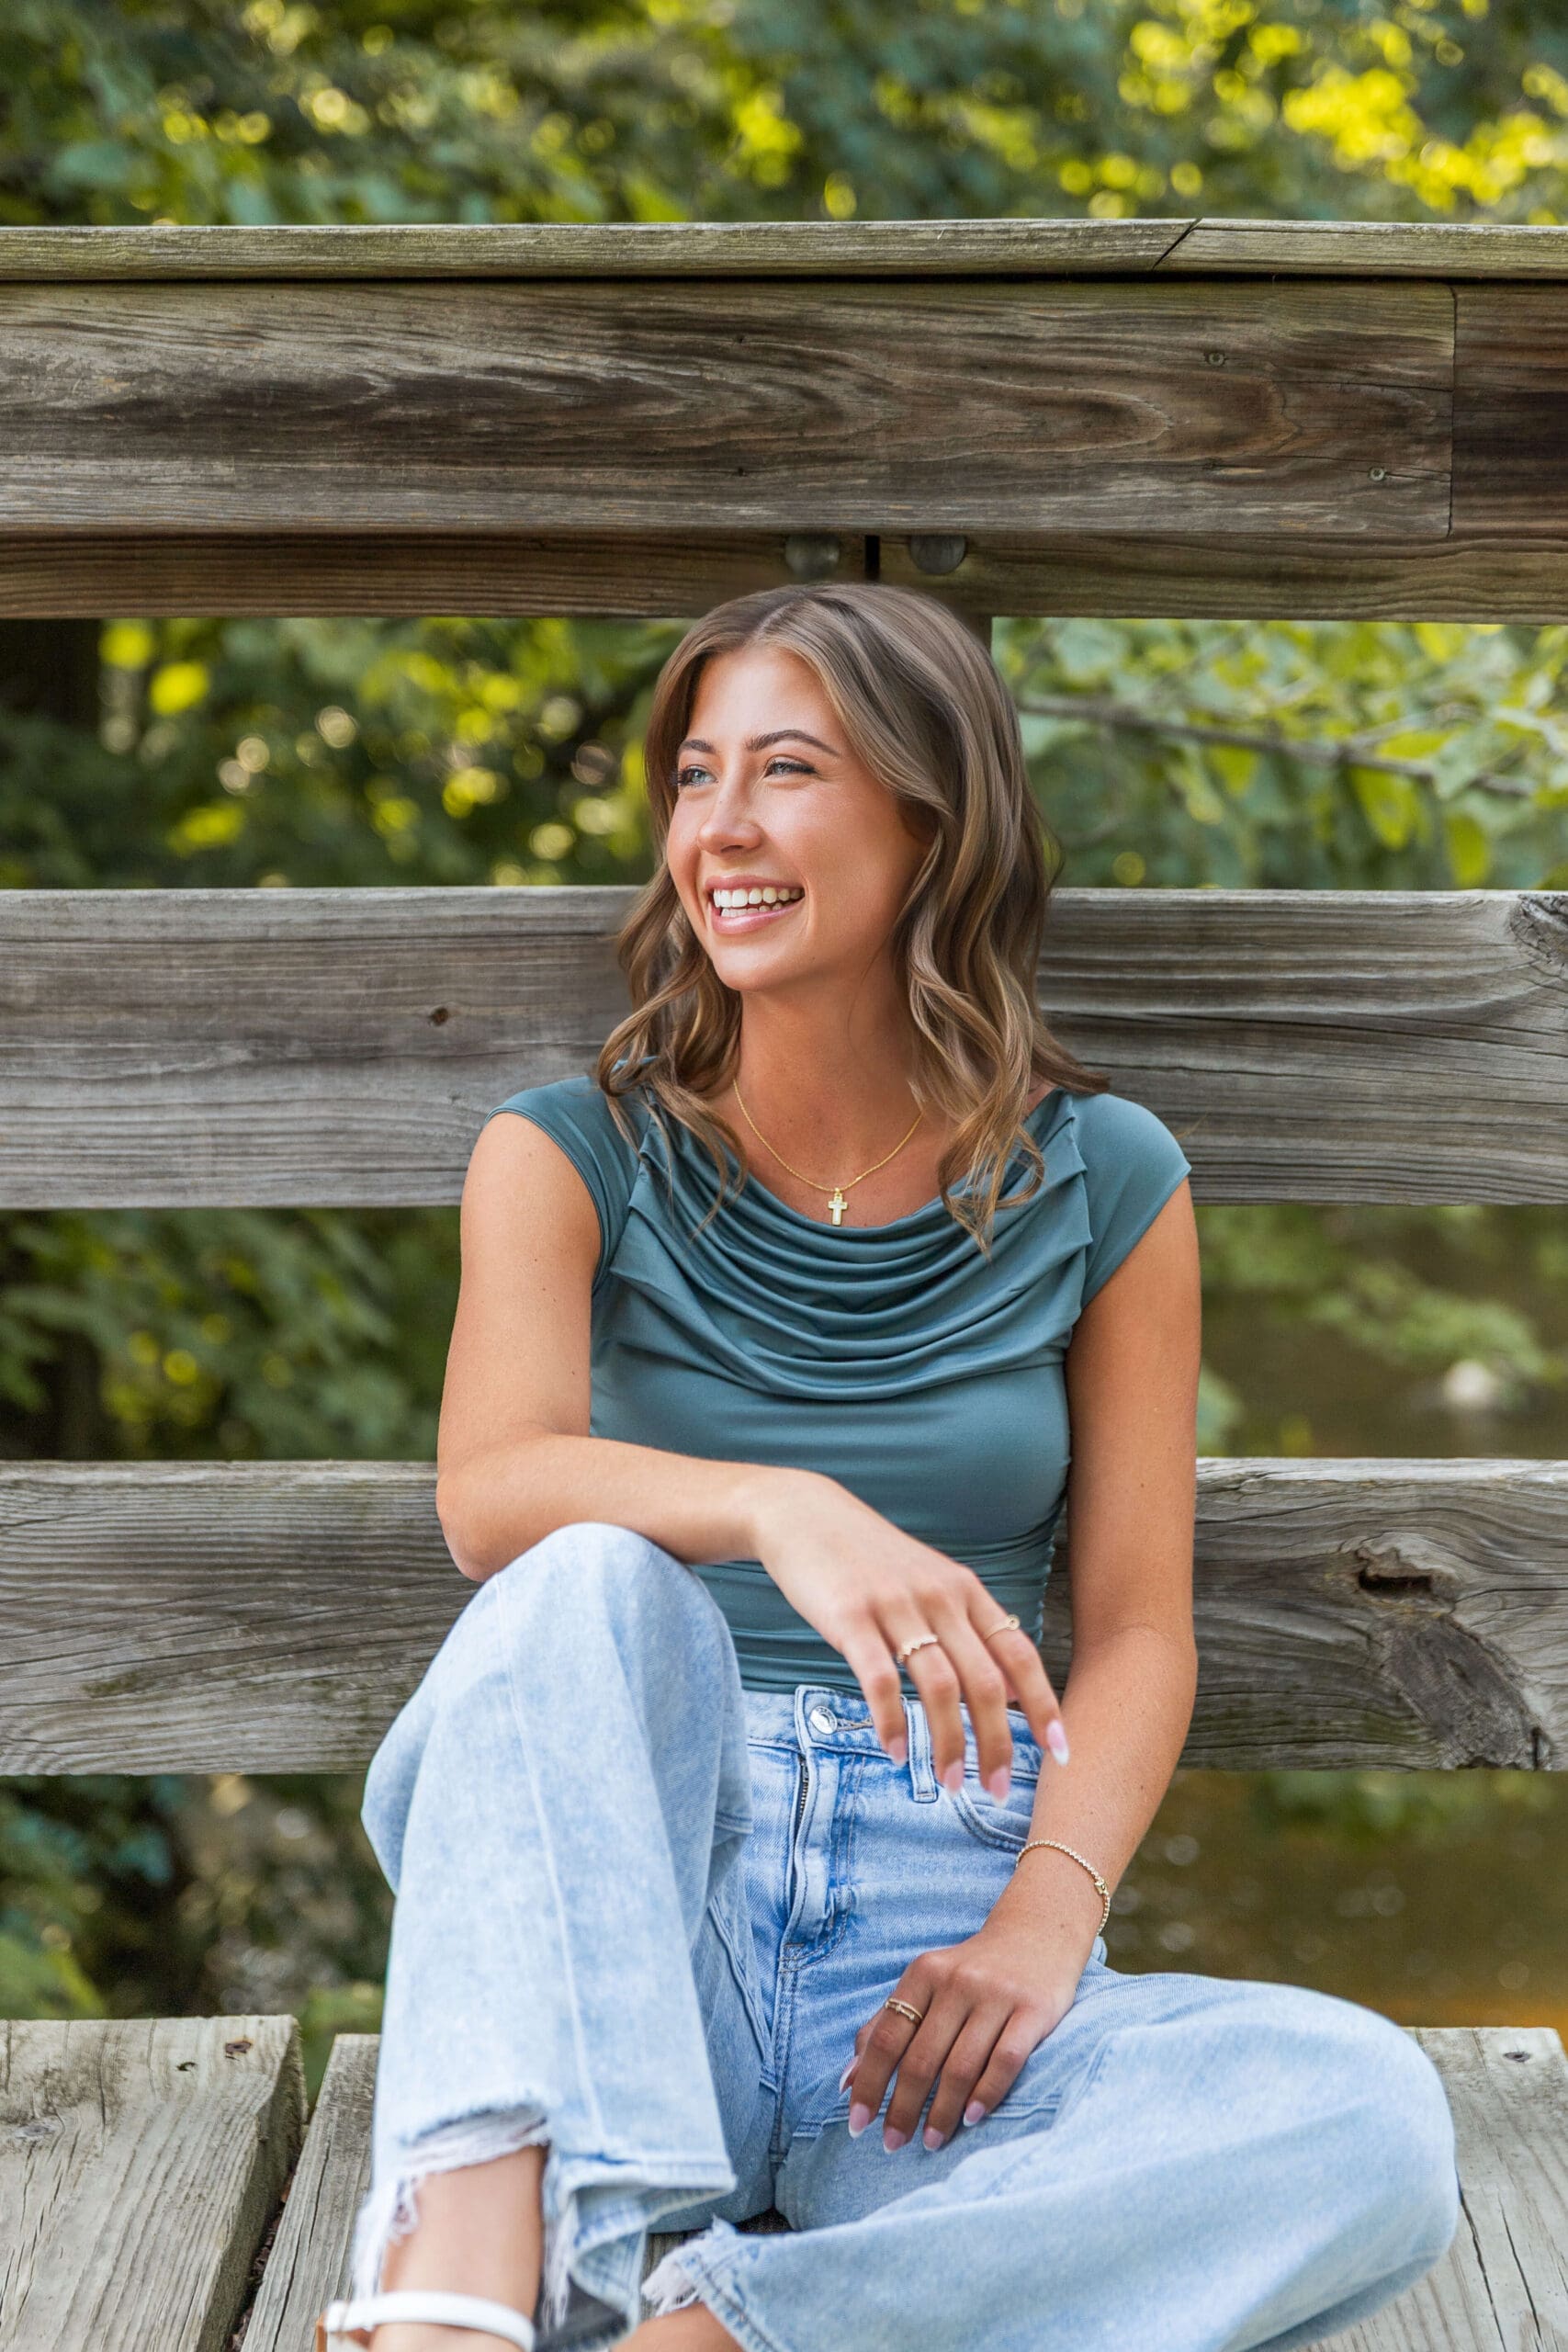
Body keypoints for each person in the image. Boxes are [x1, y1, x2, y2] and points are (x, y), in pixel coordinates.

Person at [319, 583, 1461, 2352]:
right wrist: (785, 1505)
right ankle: (453, 2288)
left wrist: (1040, 1928)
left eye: (789, 770)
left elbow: (1140, 1633)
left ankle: (719, 2332)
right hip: (637, 1941)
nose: (725, 829)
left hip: (934, 1985)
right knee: (582, 1584)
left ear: (936, 821)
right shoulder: (565, 1155)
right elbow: (492, 1495)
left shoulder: (1107, 1178)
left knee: (1366, 2119)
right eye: (696, 778)